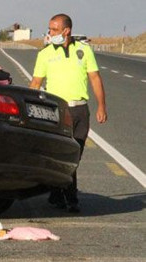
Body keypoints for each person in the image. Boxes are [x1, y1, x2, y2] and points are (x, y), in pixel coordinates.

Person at [29, 13, 107, 212]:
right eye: (50, 29)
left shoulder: (83, 51)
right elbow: (36, 84)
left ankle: (56, 192)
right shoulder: (45, 54)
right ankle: (71, 199)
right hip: (58, 111)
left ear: (67, 31)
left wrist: (101, 106)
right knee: (67, 156)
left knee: (76, 155)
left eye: (54, 29)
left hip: (80, 110)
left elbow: (95, 79)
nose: (50, 33)